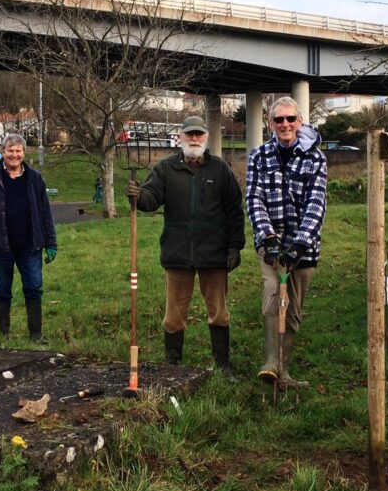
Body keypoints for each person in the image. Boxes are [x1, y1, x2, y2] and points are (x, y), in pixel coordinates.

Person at [126, 116, 245, 378]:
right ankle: (173, 366)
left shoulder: (220, 169)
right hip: (178, 252)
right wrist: (138, 195)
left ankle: (223, 365)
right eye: (189, 135)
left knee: (219, 313)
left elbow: (234, 210)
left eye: (199, 135)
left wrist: (236, 246)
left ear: (205, 138)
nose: (194, 139)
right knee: (174, 315)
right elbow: (151, 197)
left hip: (214, 254)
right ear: (180, 138)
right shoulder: (166, 168)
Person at [246, 96, 327, 385]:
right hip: (271, 243)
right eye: (279, 120)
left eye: (290, 119)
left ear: (299, 122)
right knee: (272, 290)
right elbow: (254, 199)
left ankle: (284, 370)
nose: (285, 124)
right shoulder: (259, 156)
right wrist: (267, 237)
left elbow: (316, 204)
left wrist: (301, 244)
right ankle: (271, 362)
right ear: (270, 123)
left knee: (292, 307)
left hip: (303, 246)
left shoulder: (315, 158)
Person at [0, 134, 58, 344]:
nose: (14, 155)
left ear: (24, 153)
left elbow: (45, 213)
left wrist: (51, 243)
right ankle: (4, 333)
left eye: (18, 151)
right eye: (10, 151)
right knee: (2, 290)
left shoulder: (35, 178)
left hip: (30, 245)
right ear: (3, 152)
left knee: (34, 287)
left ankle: (36, 334)